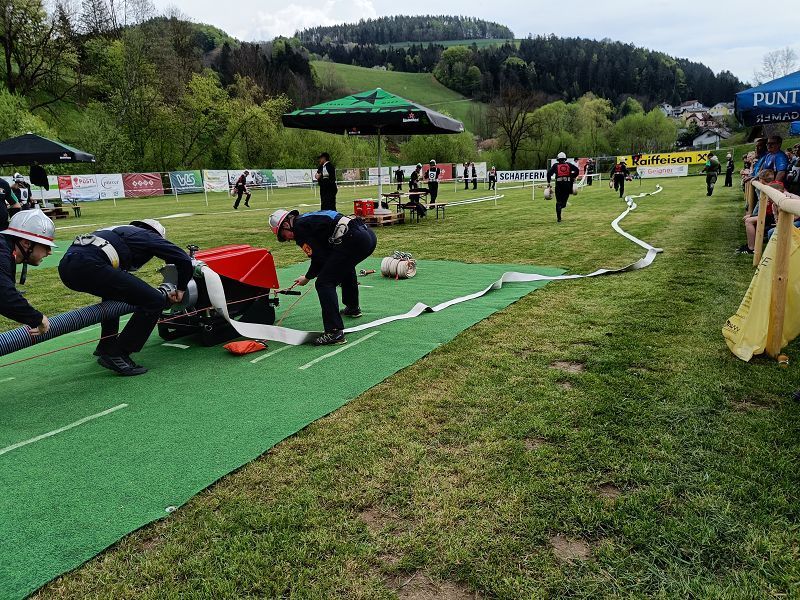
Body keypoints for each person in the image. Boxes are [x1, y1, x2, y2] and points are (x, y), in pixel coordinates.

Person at [58, 219, 192, 376]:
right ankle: (118, 353)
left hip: (67, 268)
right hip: (89, 265)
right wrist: (181, 288)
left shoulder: (118, 231)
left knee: (113, 296)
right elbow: (183, 258)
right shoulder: (147, 235)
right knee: (154, 300)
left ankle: (106, 345)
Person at [269, 208, 377, 346]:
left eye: (283, 236)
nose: (287, 239)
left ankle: (334, 332)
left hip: (353, 239)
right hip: (367, 235)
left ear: (286, 224)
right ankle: (352, 308)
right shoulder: (306, 219)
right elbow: (326, 254)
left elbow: (318, 258)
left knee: (324, 283)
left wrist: (307, 277)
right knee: (344, 265)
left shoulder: (300, 229)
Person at [0, 210, 54, 336]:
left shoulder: (5, 251)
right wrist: (38, 319)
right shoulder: (2, 255)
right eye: (46, 246)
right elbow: (4, 295)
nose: (49, 252)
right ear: (27, 243)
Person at [546, 152, 579, 222]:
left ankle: (559, 218)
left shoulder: (555, 165)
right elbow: (577, 170)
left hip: (559, 185)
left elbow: (549, 174)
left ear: (558, 159)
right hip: (567, 185)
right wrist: (572, 177)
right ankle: (561, 206)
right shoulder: (569, 165)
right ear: (565, 159)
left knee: (558, 201)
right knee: (563, 203)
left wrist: (549, 182)